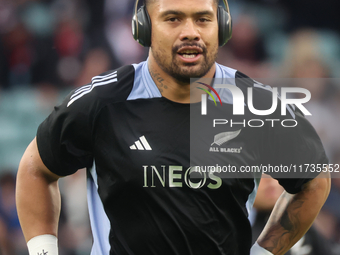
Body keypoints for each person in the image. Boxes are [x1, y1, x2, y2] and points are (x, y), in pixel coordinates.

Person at [16, 0, 331, 255]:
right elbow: (36, 169)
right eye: (173, 19)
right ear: (144, 28)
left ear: (222, 27)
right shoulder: (103, 102)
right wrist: (44, 251)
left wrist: (263, 253)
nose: (191, 32)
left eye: (203, 19)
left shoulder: (257, 105)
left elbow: (314, 180)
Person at [250, 174, 334, 255]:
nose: (269, 180)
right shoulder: (249, 241)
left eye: (272, 175)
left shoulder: (298, 217)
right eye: (258, 179)